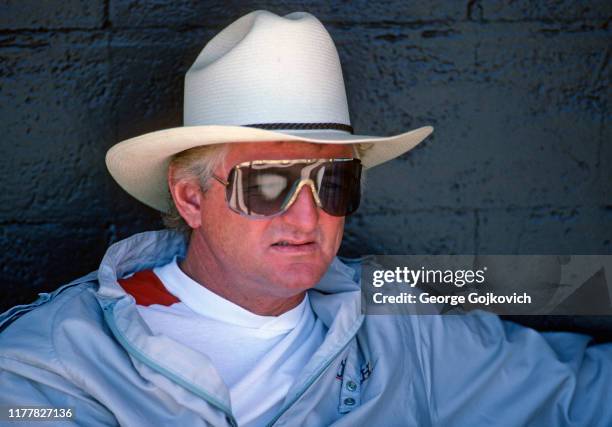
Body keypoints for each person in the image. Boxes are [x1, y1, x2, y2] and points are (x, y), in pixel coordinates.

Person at [0, 10, 610, 427]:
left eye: (334, 182)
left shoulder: (404, 322)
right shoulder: (54, 364)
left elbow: (581, 390)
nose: (308, 214)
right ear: (190, 199)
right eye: (268, 183)